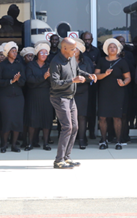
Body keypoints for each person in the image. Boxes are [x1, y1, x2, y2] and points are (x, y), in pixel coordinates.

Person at [49, 37, 96, 169]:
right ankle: (58, 160)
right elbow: (55, 83)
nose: (76, 51)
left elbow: (77, 71)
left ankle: (66, 157)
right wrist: (72, 81)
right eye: (72, 49)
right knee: (67, 127)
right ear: (64, 49)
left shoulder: (72, 58)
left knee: (75, 127)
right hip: (59, 97)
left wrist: (88, 75)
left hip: (70, 97)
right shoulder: (55, 62)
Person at [94, 38, 131, 150]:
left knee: (117, 117)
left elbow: (128, 77)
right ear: (107, 49)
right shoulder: (101, 60)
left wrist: (124, 83)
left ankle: (118, 141)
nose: (112, 49)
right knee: (102, 117)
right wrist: (105, 74)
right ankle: (103, 140)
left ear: (118, 49)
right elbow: (95, 76)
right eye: (110, 47)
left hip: (118, 92)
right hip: (104, 92)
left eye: (114, 47)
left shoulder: (122, 62)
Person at [25, 41, 54, 151]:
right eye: (42, 53)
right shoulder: (31, 65)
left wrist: (42, 80)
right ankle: (30, 143)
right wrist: (44, 77)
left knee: (47, 120)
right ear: (37, 53)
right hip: (33, 95)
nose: (44, 55)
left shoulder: (49, 66)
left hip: (46, 95)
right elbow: (30, 80)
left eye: (46, 53)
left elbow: (52, 81)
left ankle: (46, 143)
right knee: (33, 120)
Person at [0, 41, 25, 153]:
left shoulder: (19, 64)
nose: (15, 53)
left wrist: (17, 81)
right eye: (12, 51)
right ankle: (4, 145)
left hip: (18, 96)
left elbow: (23, 81)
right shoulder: (2, 65)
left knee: (17, 120)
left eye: (16, 51)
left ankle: (14, 145)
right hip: (5, 96)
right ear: (7, 53)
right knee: (7, 120)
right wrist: (11, 81)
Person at [72, 39, 95, 150]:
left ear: (80, 50)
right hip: (69, 92)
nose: (74, 50)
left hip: (82, 92)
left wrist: (81, 80)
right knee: (70, 117)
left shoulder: (86, 61)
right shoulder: (66, 60)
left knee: (81, 117)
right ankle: (70, 140)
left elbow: (90, 76)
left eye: (76, 49)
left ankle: (81, 139)